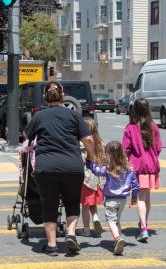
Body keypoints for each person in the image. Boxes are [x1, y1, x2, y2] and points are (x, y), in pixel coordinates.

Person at [24, 81, 94, 256]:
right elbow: (88, 140)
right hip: (72, 166)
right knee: (71, 203)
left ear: (45, 98)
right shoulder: (74, 116)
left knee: (49, 205)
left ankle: (52, 245)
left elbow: (26, 136)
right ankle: (70, 234)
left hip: (46, 168)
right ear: (63, 97)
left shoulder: (39, 116)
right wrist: (91, 157)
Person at [86, 141, 140, 256]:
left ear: (108, 154)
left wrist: (89, 163)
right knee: (117, 220)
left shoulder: (108, 168)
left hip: (111, 199)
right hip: (123, 199)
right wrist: (134, 197)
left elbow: (96, 171)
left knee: (110, 220)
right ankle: (118, 239)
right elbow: (135, 185)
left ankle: (117, 238)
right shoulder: (129, 168)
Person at [122, 98, 162, 242]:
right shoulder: (154, 127)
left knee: (140, 198)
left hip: (138, 167)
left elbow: (125, 149)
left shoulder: (130, 128)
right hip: (151, 166)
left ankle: (143, 228)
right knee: (147, 197)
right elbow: (158, 148)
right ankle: (144, 223)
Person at [78, 117, 105, 237]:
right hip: (98, 178)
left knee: (85, 205)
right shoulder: (101, 142)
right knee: (92, 203)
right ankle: (95, 218)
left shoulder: (83, 143)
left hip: (87, 178)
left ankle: (86, 229)